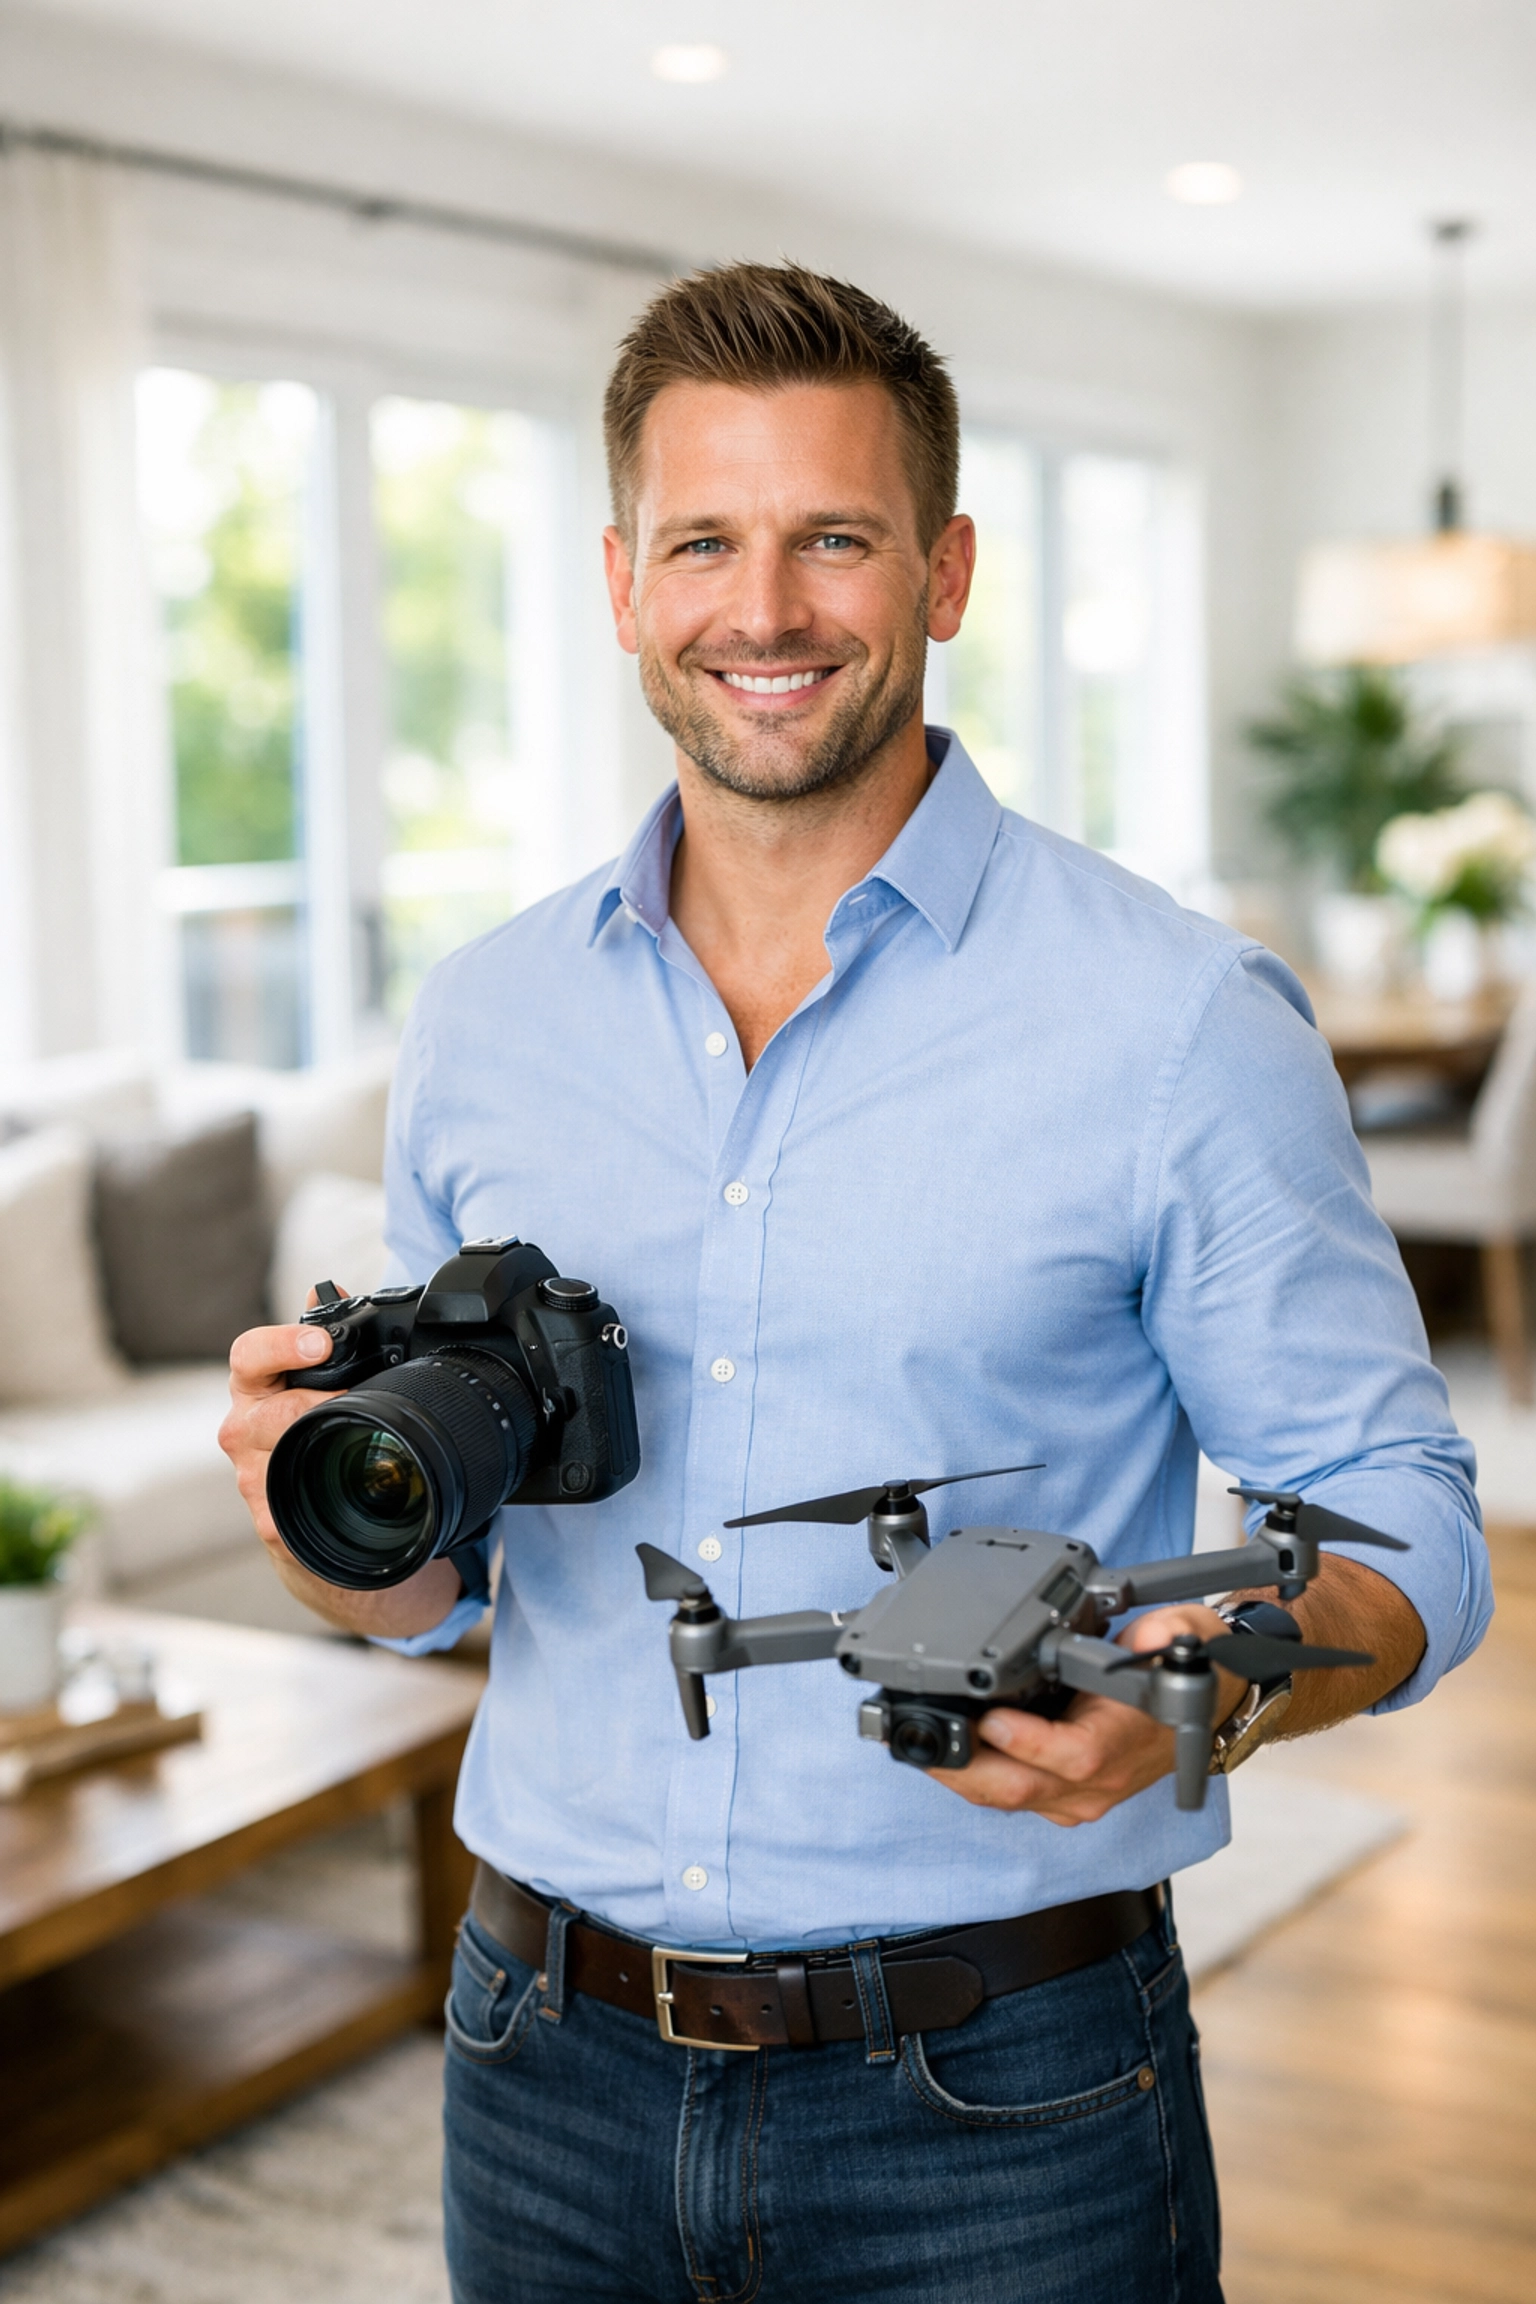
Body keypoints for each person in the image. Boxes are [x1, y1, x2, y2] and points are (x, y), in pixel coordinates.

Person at [221, 263, 1491, 2304]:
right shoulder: (481, 1020)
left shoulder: (1177, 1021)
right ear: (625, 580)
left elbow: (1412, 1521)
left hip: (1005, 2101)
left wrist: (1210, 1695)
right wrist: (333, 1513)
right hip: (536, 2056)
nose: (768, 609)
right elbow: (432, 1603)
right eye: (706, 541)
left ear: (948, 569)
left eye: (836, 537)